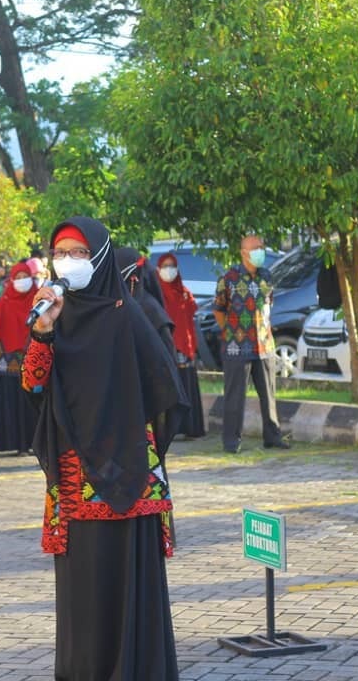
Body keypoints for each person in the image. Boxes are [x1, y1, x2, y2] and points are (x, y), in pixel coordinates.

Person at [23, 217, 187, 681]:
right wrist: (43, 331)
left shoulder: (126, 314)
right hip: (76, 476)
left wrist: (136, 434)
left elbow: (167, 387)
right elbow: (33, 384)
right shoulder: (55, 314)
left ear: (97, 256)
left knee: (125, 578)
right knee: (85, 583)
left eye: (78, 252)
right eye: (60, 253)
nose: (67, 261)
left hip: (130, 472)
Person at [212, 235, 290, 453]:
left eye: (262, 247)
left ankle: (272, 436)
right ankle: (231, 441)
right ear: (244, 253)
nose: (261, 251)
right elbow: (218, 310)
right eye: (256, 248)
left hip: (264, 346)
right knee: (235, 396)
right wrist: (230, 332)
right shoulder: (229, 278)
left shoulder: (266, 276)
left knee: (269, 395)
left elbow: (268, 307)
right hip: (237, 347)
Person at [0, 261, 38, 455]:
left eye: (26, 277)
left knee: (33, 401)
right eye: (19, 277)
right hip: (8, 360)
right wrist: (1, 342)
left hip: (34, 358)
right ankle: (16, 443)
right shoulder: (5, 301)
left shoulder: (38, 300)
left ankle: (35, 442)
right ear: (12, 280)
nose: (22, 281)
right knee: (12, 400)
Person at [156, 252, 206, 438]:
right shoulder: (157, 294)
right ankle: (173, 429)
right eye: (165, 266)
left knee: (187, 384)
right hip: (167, 347)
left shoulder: (184, 292)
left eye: (172, 266)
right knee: (172, 386)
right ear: (158, 269)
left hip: (186, 347)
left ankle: (191, 427)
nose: (169, 270)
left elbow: (190, 317)